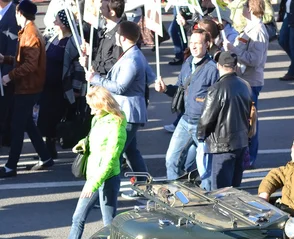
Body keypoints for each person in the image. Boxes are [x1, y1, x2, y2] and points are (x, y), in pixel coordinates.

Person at [43, 86, 127, 239]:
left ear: (104, 105)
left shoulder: (116, 124)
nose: (91, 111)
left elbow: (111, 157)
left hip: (104, 178)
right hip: (96, 176)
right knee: (106, 221)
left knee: (85, 218)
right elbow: (92, 138)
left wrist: (94, 183)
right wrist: (83, 143)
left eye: (94, 107)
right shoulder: (98, 118)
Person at [87, 20, 155, 197]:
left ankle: (104, 194)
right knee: (131, 152)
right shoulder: (133, 54)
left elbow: (120, 87)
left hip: (129, 112)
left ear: (123, 37)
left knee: (114, 155)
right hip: (128, 111)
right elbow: (150, 76)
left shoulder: (132, 58)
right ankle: (143, 186)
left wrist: (95, 79)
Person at [155, 29, 219, 181]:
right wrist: (165, 89)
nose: (193, 46)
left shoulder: (212, 69)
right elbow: (179, 89)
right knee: (171, 159)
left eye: (197, 43)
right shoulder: (188, 62)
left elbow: (217, 98)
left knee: (205, 166)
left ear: (207, 44)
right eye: (191, 43)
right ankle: (177, 194)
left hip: (202, 124)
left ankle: (207, 196)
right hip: (185, 121)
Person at [0, 0, 53, 178]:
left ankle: (11, 166)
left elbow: (30, 65)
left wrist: (10, 75)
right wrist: (6, 59)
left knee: (17, 126)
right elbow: (23, 59)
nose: (15, 16)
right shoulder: (28, 31)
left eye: (16, 13)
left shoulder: (30, 34)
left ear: (20, 13)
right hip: (28, 86)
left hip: (28, 87)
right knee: (28, 123)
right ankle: (45, 157)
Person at [197, 51, 253, 189]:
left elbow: (206, 120)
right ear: (235, 67)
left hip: (222, 146)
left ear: (218, 66)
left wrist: (200, 136)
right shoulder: (244, 85)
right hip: (241, 142)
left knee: (221, 192)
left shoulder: (216, 89)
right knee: (234, 190)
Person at [224, 0, 268, 168]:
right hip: (245, 79)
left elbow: (254, 60)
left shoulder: (257, 31)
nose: (241, 9)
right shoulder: (250, 27)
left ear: (250, 7)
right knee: (245, 121)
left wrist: (234, 50)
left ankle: (249, 159)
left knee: (250, 122)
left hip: (250, 81)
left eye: (244, 5)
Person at [38, 9, 86, 160]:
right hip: (48, 88)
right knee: (45, 119)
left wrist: (76, 89)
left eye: (57, 20)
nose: (54, 22)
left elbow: (78, 68)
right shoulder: (53, 39)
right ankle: (47, 150)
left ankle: (55, 151)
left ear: (65, 24)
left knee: (56, 120)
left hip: (63, 89)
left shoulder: (73, 43)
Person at [80, 0, 125, 77]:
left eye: (102, 8)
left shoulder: (121, 33)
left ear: (112, 12)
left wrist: (92, 65)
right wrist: (90, 51)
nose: (99, 10)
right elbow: (101, 55)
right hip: (99, 79)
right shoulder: (105, 29)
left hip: (108, 82)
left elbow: (115, 64)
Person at [0, 0, 18, 148]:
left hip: (4, 76)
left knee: (4, 112)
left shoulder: (13, 15)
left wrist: (6, 77)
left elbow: (13, 49)